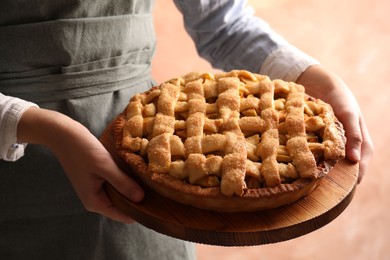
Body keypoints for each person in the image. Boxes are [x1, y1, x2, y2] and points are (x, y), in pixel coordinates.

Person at [0, 0, 373, 259]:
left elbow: (224, 25)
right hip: (16, 164)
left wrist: (312, 78)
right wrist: (37, 125)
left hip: (148, 182)